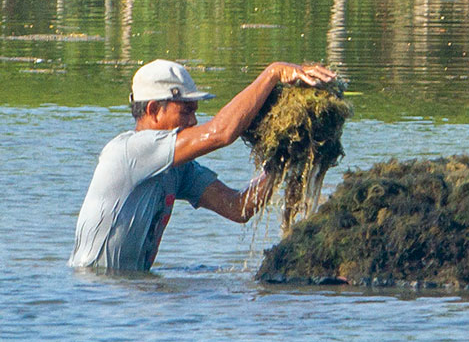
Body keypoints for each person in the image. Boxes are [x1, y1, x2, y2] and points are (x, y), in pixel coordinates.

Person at [69, 58, 335, 272]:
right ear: (152, 110)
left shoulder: (177, 168)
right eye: (186, 110)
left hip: (129, 290)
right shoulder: (132, 150)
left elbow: (239, 207)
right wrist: (273, 73)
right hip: (96, 289)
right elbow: (221, 132)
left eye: (195, 110)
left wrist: (280, 161)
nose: (194, 121)